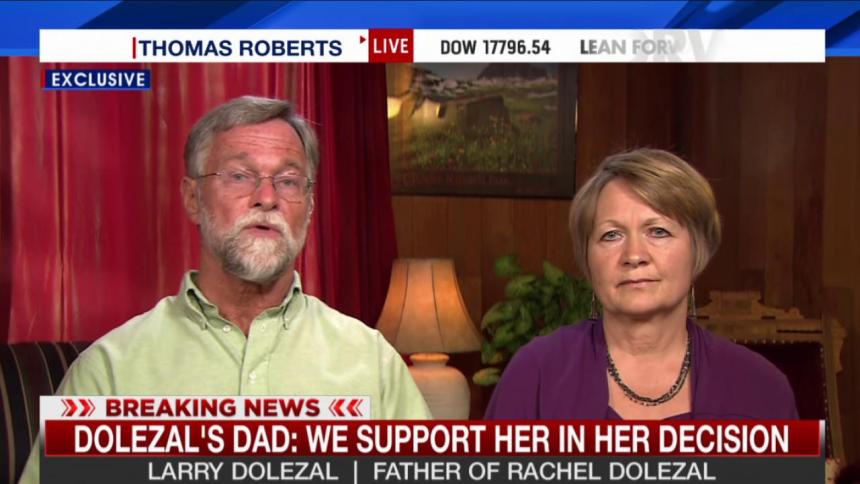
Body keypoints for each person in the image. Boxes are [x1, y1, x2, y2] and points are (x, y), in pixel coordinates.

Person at [20, 96, 430, 483]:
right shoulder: (109, 372)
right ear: (193, 198)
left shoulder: (372, 363)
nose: (267, 198)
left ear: (308, 207)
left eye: (288, 181)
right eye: (239, 176)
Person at [485, 148, 797, 420]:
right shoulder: (536, 375)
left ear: (698, 250)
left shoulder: (762, 388)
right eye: (611, 235)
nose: (634, 256)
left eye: (658, 231)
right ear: (588, 259)